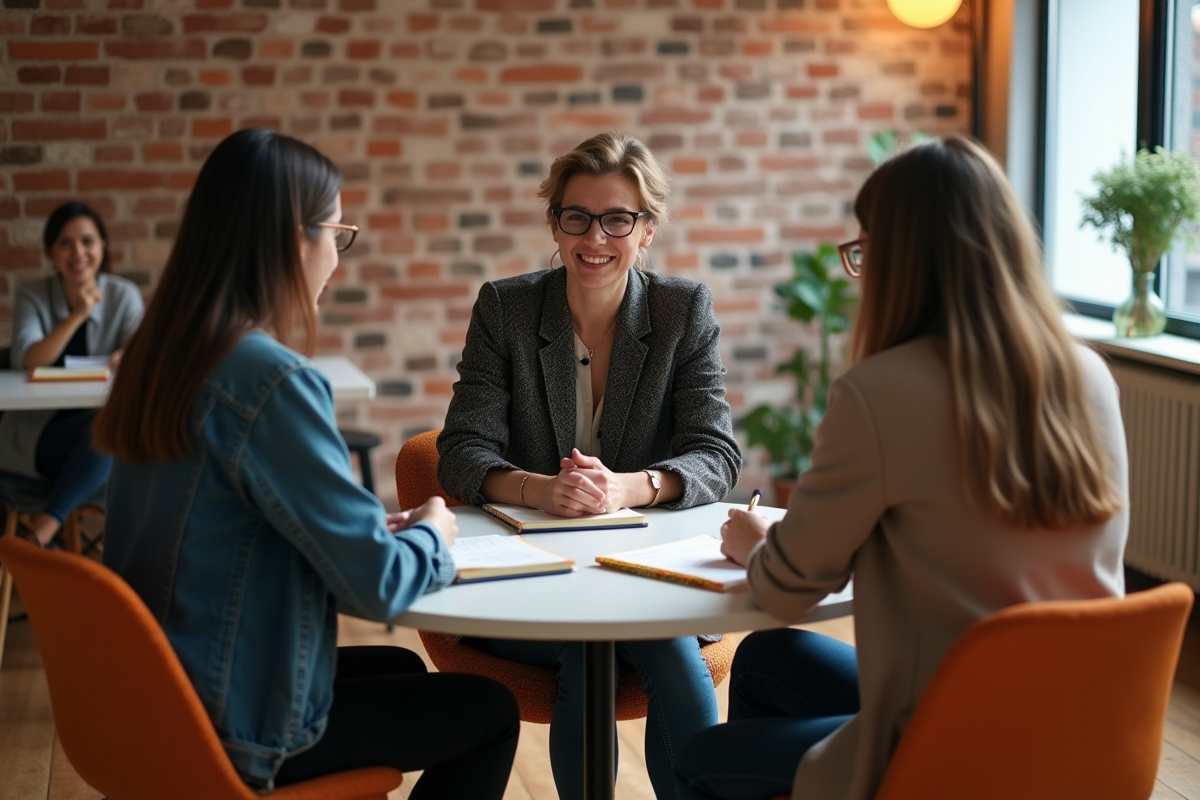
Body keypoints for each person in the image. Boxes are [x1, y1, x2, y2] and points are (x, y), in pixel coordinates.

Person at [675, 135, 1129, 800]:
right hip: (1080, 725)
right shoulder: (1089, 375)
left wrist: (755, 543)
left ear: (902, 258)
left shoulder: (879, 393)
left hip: (952, 741)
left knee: (697, 759)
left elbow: (787, 591)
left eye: (866, 249)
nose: (861, 271)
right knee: (769, 658)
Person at [93, 128, 519, 797]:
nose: (336, 259)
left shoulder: (158, 359)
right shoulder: (270, 380)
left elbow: (230, 526)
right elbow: (378, 587)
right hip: (229, 724)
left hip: (158, 699)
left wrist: (365, 531)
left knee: (399, 670)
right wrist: (434, 534)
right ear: (294, 239)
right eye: (336, 233)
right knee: (490, 711)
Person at [436, 130, 742, 799]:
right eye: (576, 217)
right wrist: (539, 490)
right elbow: (459, 452)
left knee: (633, 631)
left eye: (617, 219)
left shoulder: (681, 310)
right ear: (555, 223)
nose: (594, 237)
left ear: (647, 229)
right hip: (529, 581)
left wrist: (628, 488)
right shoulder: (507, 309)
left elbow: (716, 453)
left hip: (644, 570)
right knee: (629, 638)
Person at [0, 201, 144, 547]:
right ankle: (45, 534)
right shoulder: (32, 295)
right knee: (106, 434)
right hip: (40, 435)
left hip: (100, 443)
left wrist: (132, 356)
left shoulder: (123, 294)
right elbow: (27, 360)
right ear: (51, 252)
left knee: (109, 430)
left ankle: (41, 532)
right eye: (65, 243)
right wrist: (78, 313)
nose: (78, 252)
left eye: (87, 241)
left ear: (103, 247)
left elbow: (144, 352)